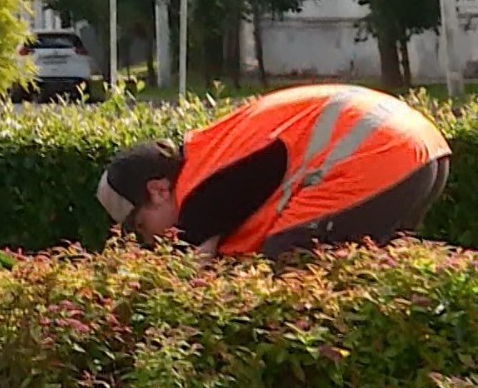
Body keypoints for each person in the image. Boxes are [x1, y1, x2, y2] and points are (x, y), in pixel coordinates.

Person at [96, 83, 451, 259]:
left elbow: (188, 268)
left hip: (383, 156)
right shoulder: (214, 151)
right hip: (420, 147)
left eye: (141, 226)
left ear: (158, 190)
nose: (149, 242)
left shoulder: (201, 195)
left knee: (287, 258)